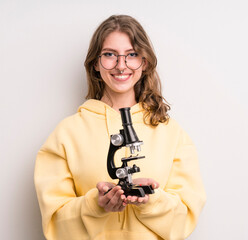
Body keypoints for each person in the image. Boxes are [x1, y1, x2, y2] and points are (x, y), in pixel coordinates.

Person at [34, 15, 206, 240]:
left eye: (132, 54)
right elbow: (55, 223)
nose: (121, 65)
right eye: (109, 55)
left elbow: (185, 217)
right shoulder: (66, 134)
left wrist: (151, 201)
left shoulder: (172, 133)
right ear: (96, 63)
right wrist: (95, 205)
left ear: (144, 62)